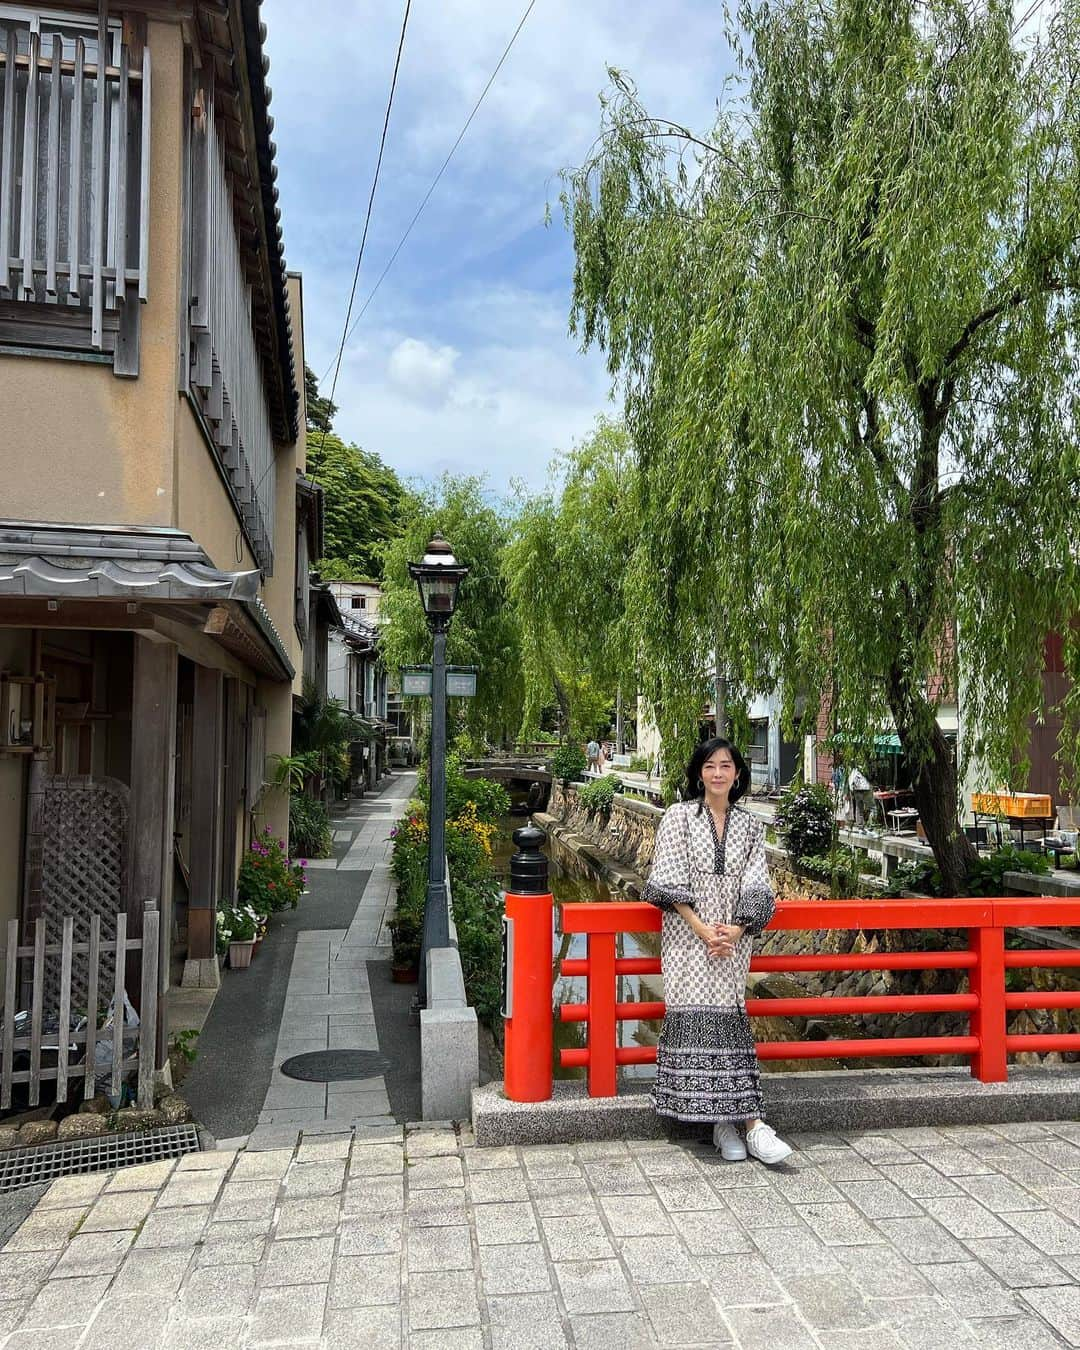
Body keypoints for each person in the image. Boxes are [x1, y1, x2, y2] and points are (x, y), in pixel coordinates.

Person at [643, 736, 793, 1165]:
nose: (717, 773)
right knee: (699, 1019)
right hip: (687, 940)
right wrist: (702, 929)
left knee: (728, 1023)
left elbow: (757, 884)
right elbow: (666, 879)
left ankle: (739, 1123)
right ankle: (733, 1124)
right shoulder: (678, 817)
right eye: (709, 766)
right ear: (698, 773)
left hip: (732, 941)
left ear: (738, 774)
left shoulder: (750, 826)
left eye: (725, 766)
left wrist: (737, 929)